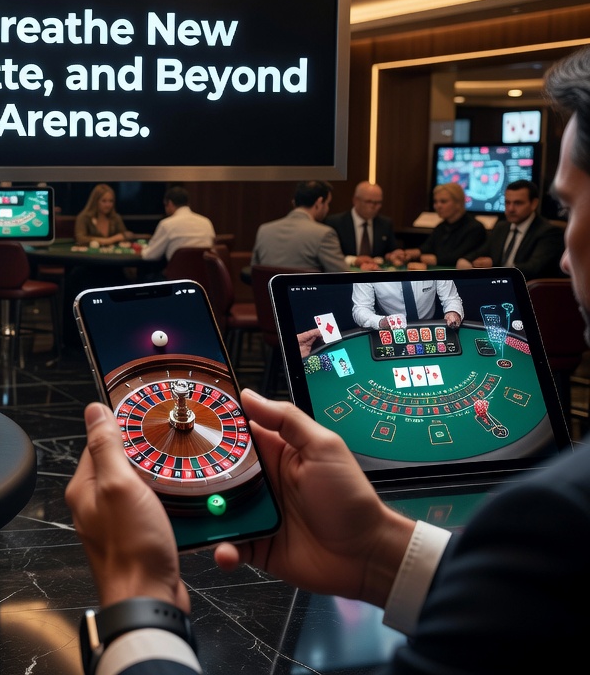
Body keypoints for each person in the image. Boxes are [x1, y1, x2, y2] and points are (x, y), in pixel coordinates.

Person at [63, 45, 590, 675]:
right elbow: (549, 620)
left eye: (569, 208)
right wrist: (375, 553)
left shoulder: (557, 513)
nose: (563, 252)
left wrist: (136, 602)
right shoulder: (556, 530)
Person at [456, 180, 564, 278]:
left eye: (518, 203)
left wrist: (494, 267)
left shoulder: (549, 231)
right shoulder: (501, 227)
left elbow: (534, 268)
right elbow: (481, 251)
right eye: (507, 203)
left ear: (534, 204)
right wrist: (466, 260)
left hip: (529, 291)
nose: (511, 209)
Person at [250, 180, 347, 272]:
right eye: (327, 204)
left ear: (294, 202)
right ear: (319, 202)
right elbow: (343, 276)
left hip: (267, 289)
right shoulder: (324, 234)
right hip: (305, 289)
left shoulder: (264, 230)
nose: (327, 208)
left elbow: (254, 271)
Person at [393, 182, 486, 267]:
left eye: (443, 201)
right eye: (435, 202)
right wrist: (408, 254)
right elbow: (426, 248)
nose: (438, 206)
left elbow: (458, 258)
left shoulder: (475, 228)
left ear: (458, 203)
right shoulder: (441, 227)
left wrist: (430, 259)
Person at [325, 181, 398, 265]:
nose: (374, 206)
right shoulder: (335, 222)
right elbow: (329, 256)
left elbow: (390, 252)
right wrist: (354, 260)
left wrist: (393, 256)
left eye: (378, 203)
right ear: (355, 200)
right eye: (369, 202)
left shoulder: (385, 224)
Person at [351, 279, 464, 330]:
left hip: (431, 326)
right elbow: (361, 308)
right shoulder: (368, 269)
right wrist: (381, 322)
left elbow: (451, 299)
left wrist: (453, 312)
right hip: (392, 330)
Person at [139, 186, 214, 261]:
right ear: (187, 203)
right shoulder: (206, 222)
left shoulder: (167, 224)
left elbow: (150, 255)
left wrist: (143, 249)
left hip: (177, 272)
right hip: (203, 272)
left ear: (170, 203)